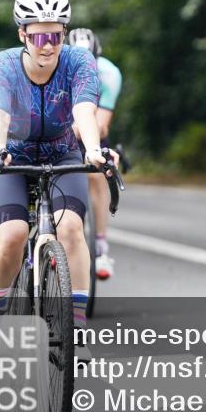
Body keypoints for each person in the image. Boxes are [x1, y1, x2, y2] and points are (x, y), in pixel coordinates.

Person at [0, 0, 118, 342]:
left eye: (56, 35)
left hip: (62, 153)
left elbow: (84, 111)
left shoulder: (78, 62)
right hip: (11, 155)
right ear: (22, 34)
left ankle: (78, 331)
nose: (49, 45)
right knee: (12, 235)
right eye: (39, 37)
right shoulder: (2, 65)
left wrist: (93, 149)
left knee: (70, 230)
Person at [67, 28, 123, 280]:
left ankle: (100, 246)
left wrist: (81, 130)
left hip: (92, 129)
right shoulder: (57, 69)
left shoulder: (109, 74)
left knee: (97, 175)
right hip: (62, 131)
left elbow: (100, 125)